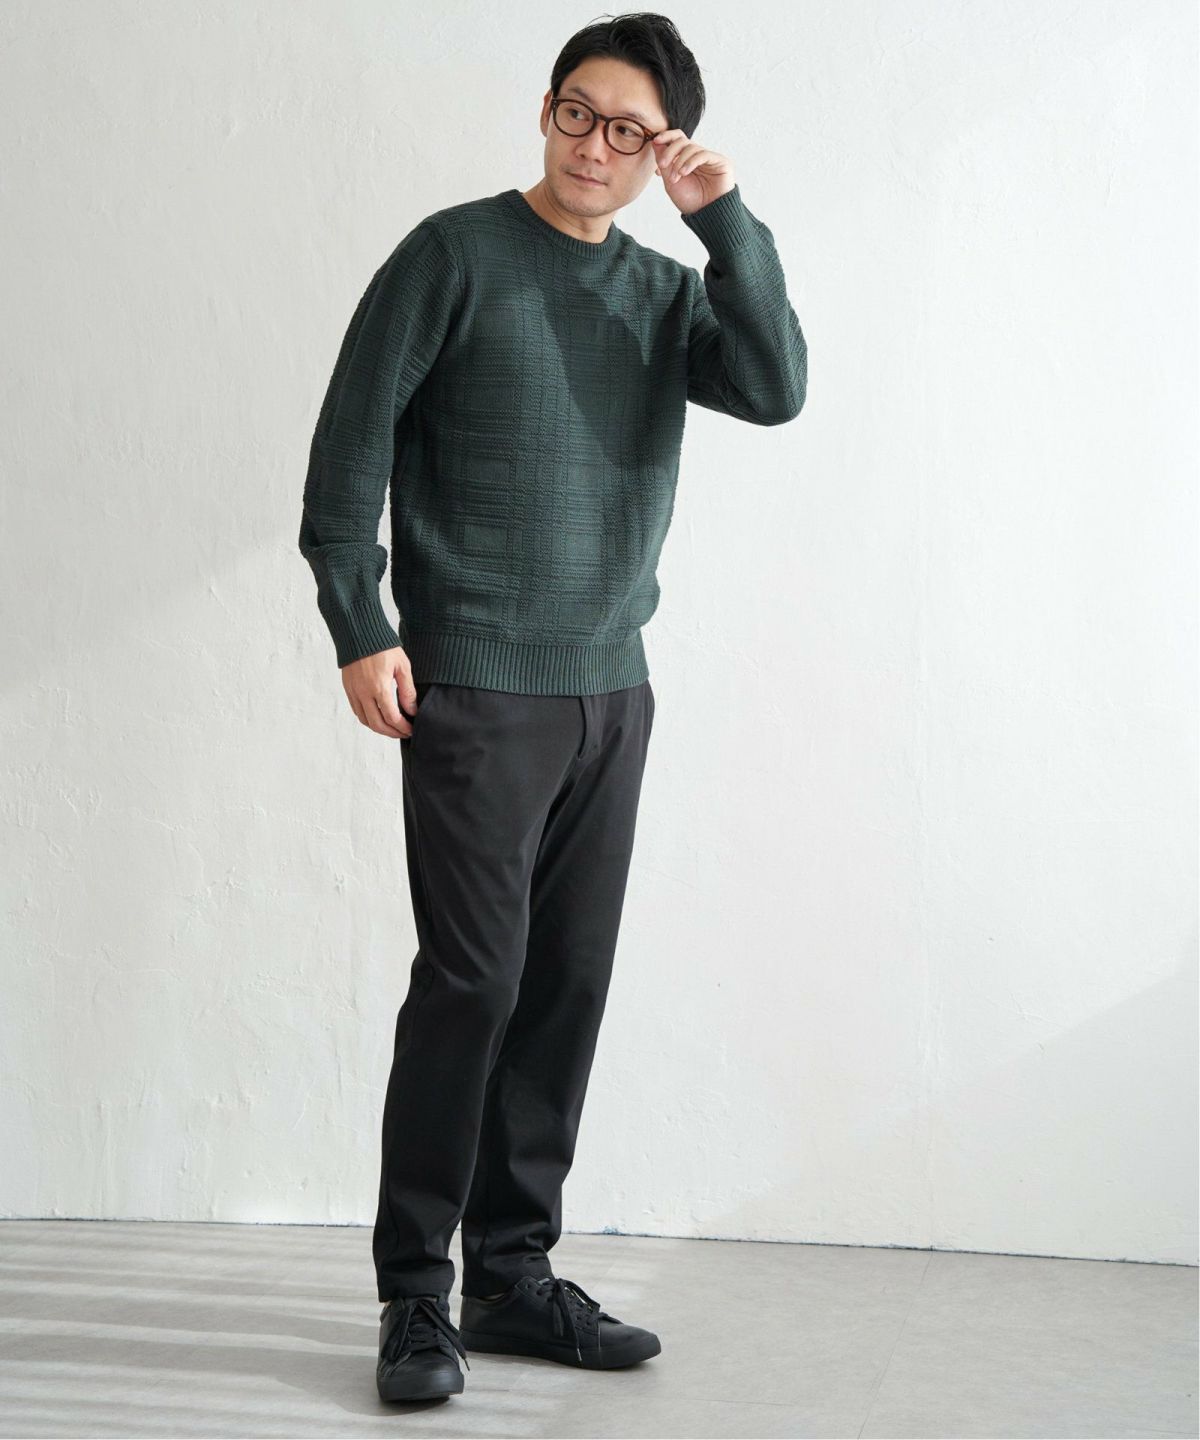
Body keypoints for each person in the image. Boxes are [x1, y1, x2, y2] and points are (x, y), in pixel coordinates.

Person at [298, 11, 808, 1405]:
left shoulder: (664, 294)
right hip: (472, 685)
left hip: (612, 692)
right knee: (473, 983)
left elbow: (778, 387)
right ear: (545, 110)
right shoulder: (452, 255)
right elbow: (348, 449)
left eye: (630, 130)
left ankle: (513, 1277)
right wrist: (361, 623)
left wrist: (726, 222)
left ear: (664, 150)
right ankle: (417, 1295)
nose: (596, 146)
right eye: (579, 113)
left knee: (565, 987)